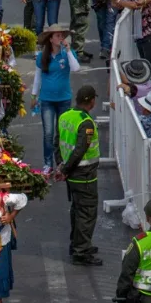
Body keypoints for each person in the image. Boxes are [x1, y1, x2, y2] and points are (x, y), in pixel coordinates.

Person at [57, 84, 103, 265]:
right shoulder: (86, 122)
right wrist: (66, 169)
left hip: (71, 173)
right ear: (91, 101)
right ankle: (81, 251)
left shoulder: (65, 116)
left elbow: (57, 141)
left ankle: (77, 244)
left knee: (77, 210)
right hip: (84, 175)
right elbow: (80, 150)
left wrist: (61, 167)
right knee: (86, 213)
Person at [34, 24, 79, 172]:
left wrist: (68, 50)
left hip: (64, 99)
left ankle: (61, 162)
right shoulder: (42, 56)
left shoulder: (67, 53)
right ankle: (48, 164)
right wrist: (34, 95)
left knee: (62, 133)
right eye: (58, 36)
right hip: (46, 99)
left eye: (62, 35)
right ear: (51, 39)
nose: (61, 38)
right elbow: (37, 77)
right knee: (48, 133)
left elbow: (76, 68)